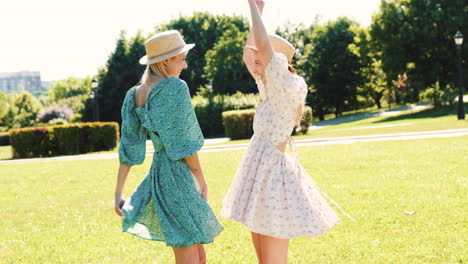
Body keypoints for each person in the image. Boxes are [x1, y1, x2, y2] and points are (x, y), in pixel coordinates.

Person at [221, 1, 348, 263]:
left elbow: (264, 52)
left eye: (261, 60)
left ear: (277, 63)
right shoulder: (270, 88)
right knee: (261, 254)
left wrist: (250, 5)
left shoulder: (288, 86)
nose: (255, 65)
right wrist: (258, 7)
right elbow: (250, 54)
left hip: (273, 180)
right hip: (259, 176)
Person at [114, 30, 223, 264]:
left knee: (196, 252)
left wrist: (118, 192)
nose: (184, 65)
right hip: (178, 176)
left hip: (160, 177)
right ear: (165, 61)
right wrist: (201, 181)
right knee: (190, 251)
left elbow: (129, 147)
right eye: (181, 58)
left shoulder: (135, 94)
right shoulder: (175, 88)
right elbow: (184, 144)